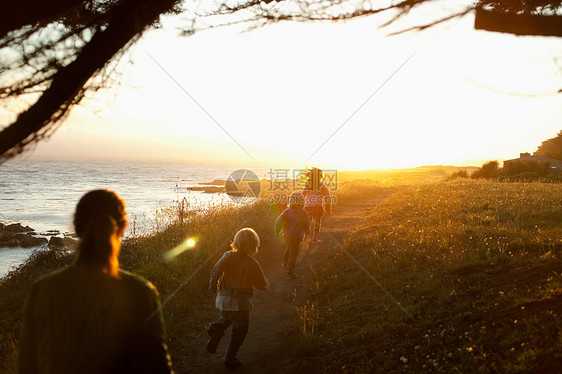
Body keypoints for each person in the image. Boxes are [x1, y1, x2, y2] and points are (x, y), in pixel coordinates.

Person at [18, 189, 174, 374]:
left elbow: (27, 365)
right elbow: (157, 367)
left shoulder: (42, 290)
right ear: (123, 228)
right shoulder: (140, 291)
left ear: (77, 228)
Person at [207, 228, 268, 370]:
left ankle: (217, 329)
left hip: (224, 297)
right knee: (240, 330)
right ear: (254, 245)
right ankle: (229, 357)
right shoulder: (252, 262)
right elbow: (259, 281)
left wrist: (212, 286)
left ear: (236, 242)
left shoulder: (227, 256)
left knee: (226, 318)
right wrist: (263, 286)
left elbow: (216, 269)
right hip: (240, 301)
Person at [275, 192, 310, 279]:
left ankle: (285, 260)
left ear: (291, 201)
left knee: (290, 247)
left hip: (287, 235)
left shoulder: (287, 211)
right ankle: (290, 271)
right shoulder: (303, 213)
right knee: (294, 252)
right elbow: (306, 224)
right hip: (297, 235)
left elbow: (279, 221)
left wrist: (277, 230)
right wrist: (307, 232)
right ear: (302, 202)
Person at [302, 167, 332, 243]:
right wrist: (328, 209)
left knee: (308, 222)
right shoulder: (322, 185)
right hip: (318, 207)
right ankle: (314, 238)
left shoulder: (308, 185)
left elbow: (302, 195)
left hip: (308, 207)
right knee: (317, 222)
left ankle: (305, 237)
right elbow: (327, 197)